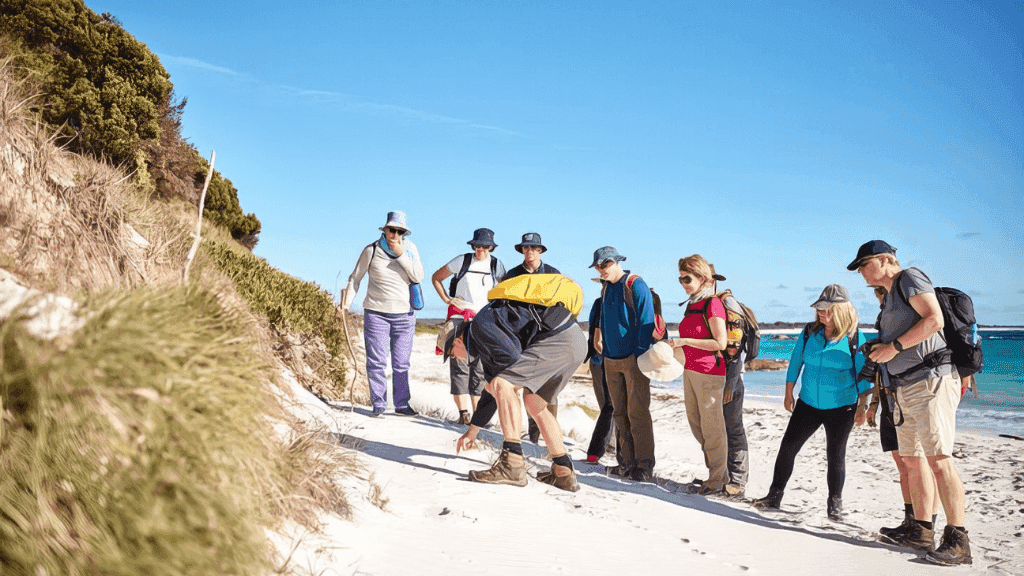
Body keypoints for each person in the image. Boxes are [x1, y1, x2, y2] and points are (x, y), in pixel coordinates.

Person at [851, 240, 972, 565]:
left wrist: (893, 348)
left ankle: (959, 540)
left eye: (863, 264)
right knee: (913, 460)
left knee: (939, 460)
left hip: (931, 381)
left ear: (884, 260)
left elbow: (934, 320)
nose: (860, 271)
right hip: (904, 387)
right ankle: (921, 530)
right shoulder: (891, 296)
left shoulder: (910, 278)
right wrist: (882, 348)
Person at [447, 278, 588, 492]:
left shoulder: (479, 327)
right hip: (575, 340)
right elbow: (493, 391)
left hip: (557, 340)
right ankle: (563, 471)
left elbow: (511, 359)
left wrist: (498, 382)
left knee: (503, 383)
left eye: (452, 354)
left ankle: (512, 464)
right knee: (534, 402)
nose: (456, 359)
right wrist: (472, 431)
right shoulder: (484, 338)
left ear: (457, 341)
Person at [752, 284, 871, 519]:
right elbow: (796, 362)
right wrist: (788, 392)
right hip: (807, 404)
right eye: (819, 310)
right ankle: (774, 496)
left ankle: (834, 504)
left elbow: (864, 376)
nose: (822, 315)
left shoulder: (855, 337)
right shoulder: (809, 332)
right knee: (788, 448)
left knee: (835, 455)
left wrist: (863, 406)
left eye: (828, 311)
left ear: (842, 311)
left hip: (842, 406)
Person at [860, 285, 943, 542]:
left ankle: (926, 524)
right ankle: (911, 520)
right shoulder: (886, 320)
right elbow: (882, 367)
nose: (880, 298)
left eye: (882, 293)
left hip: (912, 395)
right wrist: (874, 403)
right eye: (877, 294)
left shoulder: (908, 320)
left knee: (921, 462)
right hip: (890, 399)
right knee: (904, 463)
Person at [342, 211, 424, 417]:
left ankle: (402, 405)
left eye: (399, 231)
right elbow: (355, 278)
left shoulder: (410, 248)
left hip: (404, 315)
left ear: (404, 233)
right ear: (385, 230)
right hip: (376, 313)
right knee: (376, 362)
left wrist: (401, 254)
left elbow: (418, 276)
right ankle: (378, 404)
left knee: (401, 363)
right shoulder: (371, 250)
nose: (395, 235)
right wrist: (345, 304)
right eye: (391, 230)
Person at [592, 246, 657, 482]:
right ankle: (626, 463)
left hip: (633, 359)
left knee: (637, 412)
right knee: (619, 414)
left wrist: (639, 356)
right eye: (598, 266)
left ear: (617, 262)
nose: (601, 270)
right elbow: (605, 318)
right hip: (610, 359)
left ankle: (644, 466)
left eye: (605, 264)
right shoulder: (606, 287)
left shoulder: (635, 284)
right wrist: (600, 341)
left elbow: (646, 322)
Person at [430, 228, 506, 425]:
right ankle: (463, 414)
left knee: (480, 369)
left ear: (491, 247)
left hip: (484, 321)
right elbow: (436, 277)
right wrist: (447, 300)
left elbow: (504, 292)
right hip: (460, 320)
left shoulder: (496, 265)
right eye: (477, 246)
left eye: (485, 246)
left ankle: (477, 417)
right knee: (460, 366)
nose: (480, 249)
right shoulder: (462, 261)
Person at [669, 254, 730, 495]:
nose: (683, 284)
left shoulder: (712, 304)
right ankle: (715, 474)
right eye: (680, 279)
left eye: (687, 279)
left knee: (712, 428)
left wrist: (684, 341)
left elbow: (720, 343)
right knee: (696, 425)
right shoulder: (692, 304)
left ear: (702, 278)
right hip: (690, 370)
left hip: (710, 372)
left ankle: (717, 480)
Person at [502, 232, 561, 443]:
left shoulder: (553, 274)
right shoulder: (512, 275)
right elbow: (502, 305)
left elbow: (561, 305)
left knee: (549, 389)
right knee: (528, 387)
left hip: (548, 337)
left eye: (534, 248)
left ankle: (550, 437)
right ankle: (533, 437)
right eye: (526, 248)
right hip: (521, 338)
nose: (529, 251)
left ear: (540, 251)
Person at [715, 267, 751, 497]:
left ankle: (737, 481)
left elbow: (735, 349)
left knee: (733, 428)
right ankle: (725, 477)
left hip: (731, 379)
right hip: (715, 378)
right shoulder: (711, 305)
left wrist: (731, 383)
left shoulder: (728, 305)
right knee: (720, 429)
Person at [584, 295, 617, 464]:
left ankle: (609, 445)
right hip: (603, 361)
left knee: (608, 407)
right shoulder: (603, 303)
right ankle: (601, 449)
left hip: (599, 362)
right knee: (610, 407)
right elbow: (597, 340)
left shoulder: (599, 302)